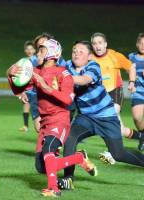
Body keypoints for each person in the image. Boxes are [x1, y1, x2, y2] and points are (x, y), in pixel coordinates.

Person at [7, 39, 97, 197]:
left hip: (60, 119)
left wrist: (47, 88)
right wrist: (10, 74)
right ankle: (78, 158)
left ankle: (53, 188)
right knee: (42, 167)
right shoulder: (35, 71)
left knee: (48, 149)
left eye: (41, 50)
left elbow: (68, 99)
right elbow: (18, 86)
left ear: (51, 54)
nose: (37, 53)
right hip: (45, 123)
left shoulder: (63, 73)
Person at [58, 40, 144, 189]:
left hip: (106, 117)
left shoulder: (93, 66)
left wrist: (64, 78)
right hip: (86, 118)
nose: (76, 54)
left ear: (89, 56)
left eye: (81, 51)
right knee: (70, 139)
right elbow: (52, 71)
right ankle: (68, 179)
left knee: (118, 154)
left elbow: (85, 80)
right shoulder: (67, 66)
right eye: (74, 51)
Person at [91, 32, 142, 162]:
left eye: (100, 43)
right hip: (100, 96)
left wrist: (131, 83)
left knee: (111, 114)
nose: (98, 46)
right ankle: (141, 136)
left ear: (105, 44)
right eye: (95, 43)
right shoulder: (89, 58)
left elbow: (131, 67)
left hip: (115, 92)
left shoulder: (114, 56)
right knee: (120, 129)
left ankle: (112, 152)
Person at [128, 33, 144, 150]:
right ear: (137, 44)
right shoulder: (131, 57)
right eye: (141, 43)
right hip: (138, 91)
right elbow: (129, 71)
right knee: (137, 118)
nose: (143, 46)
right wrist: (131, 81)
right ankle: (142, 135)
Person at [18, 40, 36, 132]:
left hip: (36, 88)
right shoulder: (23, 61)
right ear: (25, 51)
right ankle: (25, 126)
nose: (29, 51)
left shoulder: (38, 60)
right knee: (25, 104)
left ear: (35, 50)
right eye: (27, 49)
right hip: (27, 88)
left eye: (31, 49)